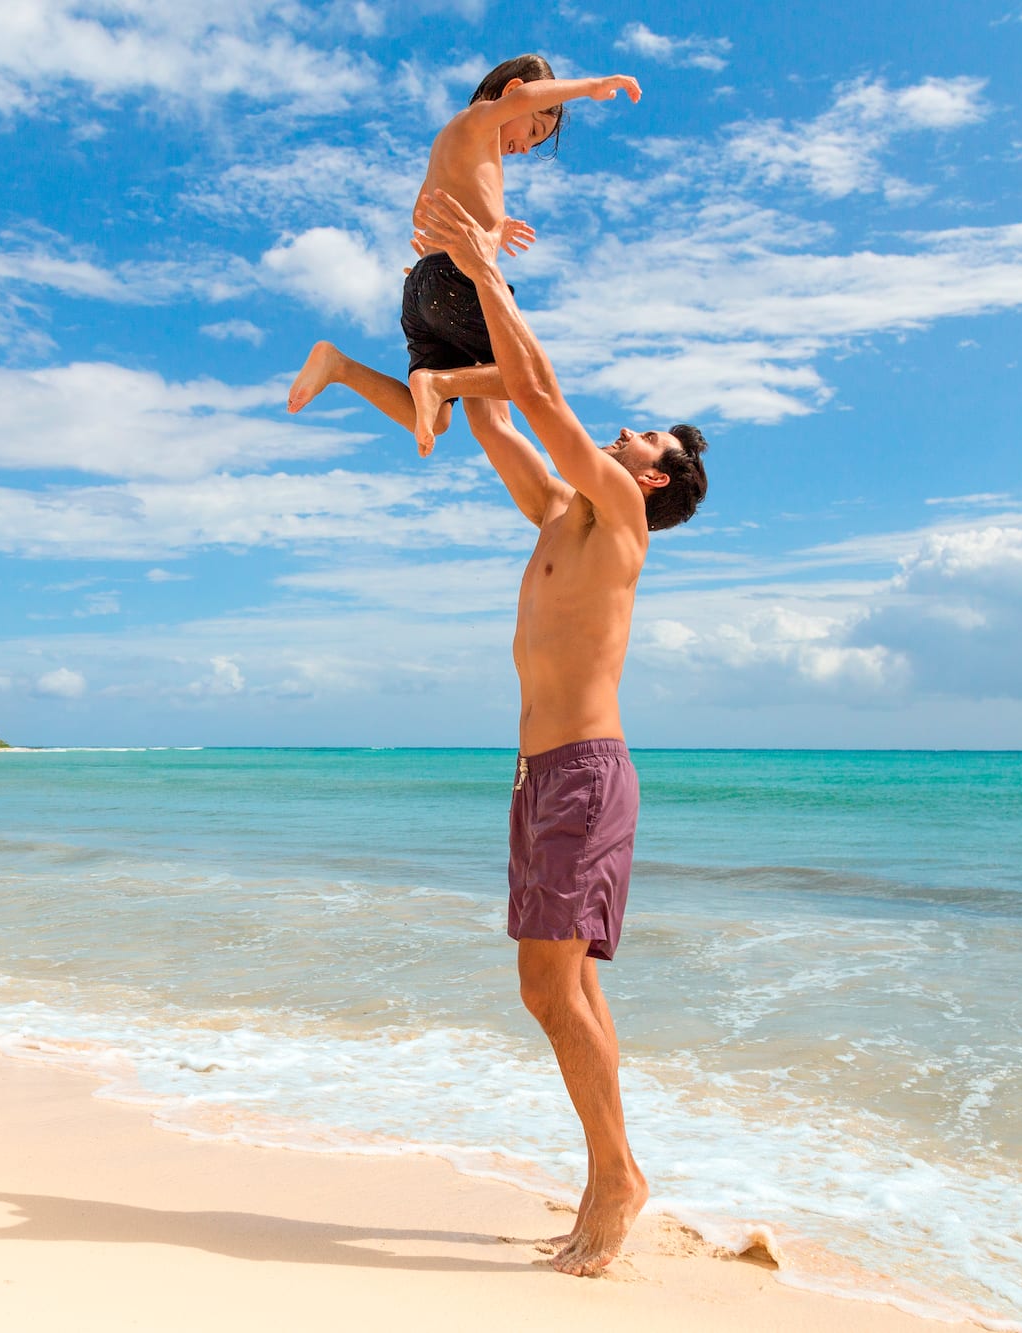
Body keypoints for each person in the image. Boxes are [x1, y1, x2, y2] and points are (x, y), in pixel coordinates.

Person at [410, 185, 708, 1278]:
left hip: (583, 774)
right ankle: (609, 1170)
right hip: (542, 778)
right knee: (569, 987)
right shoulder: (556, 515)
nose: (628, 430)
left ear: (654, 477)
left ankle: (616, 1175)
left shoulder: (621, 516)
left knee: (545, 987)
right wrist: (446, 310)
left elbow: (538, 392)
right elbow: (496, 414)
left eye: (647, 436)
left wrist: (490, 270)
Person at [286, 55, 640, 455]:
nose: (525, 147)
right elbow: (525, 96)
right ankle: (440, 383)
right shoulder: (479, 119)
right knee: (531, 381)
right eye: (534, 129)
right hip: (454, 280)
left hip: (423, 286)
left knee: (437, 419)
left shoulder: (458, 142)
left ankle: (339, 366)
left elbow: (423, 209)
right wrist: (591, 86)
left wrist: (489, 230)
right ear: (512, 93)